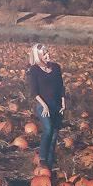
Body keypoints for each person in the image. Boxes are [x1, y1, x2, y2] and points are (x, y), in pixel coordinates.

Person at [26, 43, 67, 172]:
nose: (48, 55)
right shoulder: (34, 70)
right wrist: (44, 106)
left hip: (57, 105)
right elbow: (34, 92)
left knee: (54, 134)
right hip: (43, 106)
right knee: (48, 129)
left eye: (47, 52)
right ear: (38, 57)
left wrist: (63, 102)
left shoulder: (56, 67)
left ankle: (49, 165)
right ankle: (43, 158)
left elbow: (61, 86)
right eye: (44, 54)